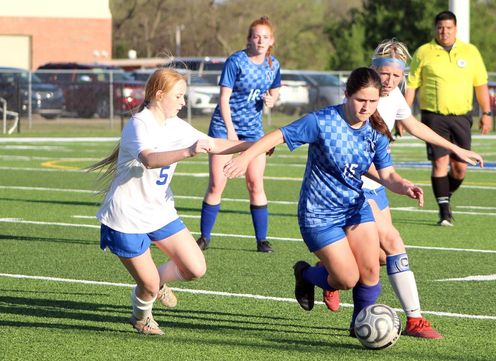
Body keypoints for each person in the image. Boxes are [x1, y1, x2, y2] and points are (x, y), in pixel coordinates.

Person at [224, 67, 424, 338]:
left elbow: (387, 174)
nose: (366, 107)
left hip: (355, 208)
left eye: (373, 102)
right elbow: (278, 135)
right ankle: (306, 275)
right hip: (318, 214)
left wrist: (406, 186)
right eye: (360, 100)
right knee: (345, 279)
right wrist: (246, 157)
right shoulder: (323, 122)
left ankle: (358, 326)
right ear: (346, 95)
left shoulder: (376, 131)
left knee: (369, 270)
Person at [320, 39, 485, 340]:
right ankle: (415, 319)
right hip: (353, 186)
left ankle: (323, 276)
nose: (390, 81)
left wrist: (456, 149)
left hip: (378, 183)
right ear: (373, 68)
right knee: (394, 242)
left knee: (380, 257)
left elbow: (414, 126)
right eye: (385, 74)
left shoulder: (394, 95)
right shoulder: (359, 96)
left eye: (397, 76)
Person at [88, 68, 250, 335]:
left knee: (195, 268)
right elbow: (149, 160)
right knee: (148, 286)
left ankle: (154, 283)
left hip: (160, 211)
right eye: (179, 96)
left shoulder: (174, 124)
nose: (183, 102)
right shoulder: (140, 123)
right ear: (159, 94)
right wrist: (188, 151)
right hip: (126, 217)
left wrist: (254, 145)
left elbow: (212, 144)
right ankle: (141, 317)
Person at [196, 16, 281, 253]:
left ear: (271, 40)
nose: (260, 41)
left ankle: (261, 240)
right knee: (217, 183)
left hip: (253, 131)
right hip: (225, 127)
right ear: (249, 39)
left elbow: (275, 91)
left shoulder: (273, 64)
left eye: (265, 37)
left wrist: (272, 99)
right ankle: (204, 237)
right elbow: (224, 99)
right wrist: (230, 132)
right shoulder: (236, 61)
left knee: (255, 183)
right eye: (256, 36)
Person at [405, 10, 492, 226]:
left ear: (455, 29)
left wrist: (487, 113)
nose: (444, 32)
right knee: (440, 162)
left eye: (449, 28)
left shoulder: (470, 52)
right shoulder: (424, 52)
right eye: (440, 28)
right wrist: (402, 115)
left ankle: (445, 195)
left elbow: (480, 84)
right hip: (434, 117)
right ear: (435, 29)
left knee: (460, 168)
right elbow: (412, 86)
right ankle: (444, 212)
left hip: (462, 116)